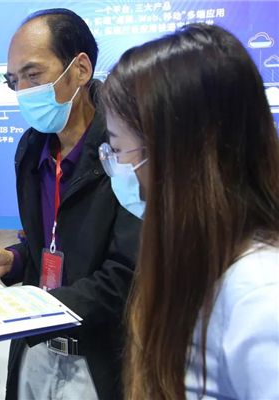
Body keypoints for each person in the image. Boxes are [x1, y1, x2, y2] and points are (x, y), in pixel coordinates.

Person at [0, 9, 141, 400]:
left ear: (80, 69)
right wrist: (11, 260)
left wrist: (29, 309)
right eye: (14, 81)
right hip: (36, 353)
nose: (23, 91)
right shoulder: (31, 148)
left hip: (102, 360)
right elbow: (49, 246)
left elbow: (127, 277)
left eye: (33, 75)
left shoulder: (124, 150)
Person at [99, 23, 279, 400]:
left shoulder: (261, 293)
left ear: (174, 152)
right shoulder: (202, 262)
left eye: (117, 149)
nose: (117, 166)